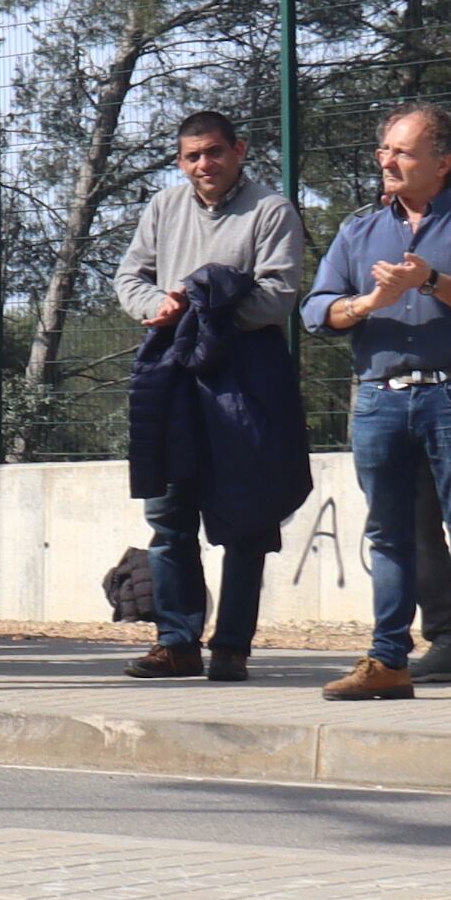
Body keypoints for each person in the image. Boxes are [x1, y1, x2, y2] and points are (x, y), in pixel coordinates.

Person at [306, 103, 451, 707]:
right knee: (388, 534)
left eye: (403, 151)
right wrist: (370, 302)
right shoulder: (358, 228)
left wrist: (431, 281)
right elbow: (316, 309)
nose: (387, 161)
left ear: (444, 163)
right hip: (380, 397)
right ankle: (387, 660)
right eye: (384, 150)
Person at [112, 108, 315, 680]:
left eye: (214, 152)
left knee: (246, 517)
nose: (204, 164)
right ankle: (176, 641)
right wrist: (161, 308)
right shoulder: (163, 207)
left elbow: (277, 295)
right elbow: (130, 277)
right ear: (181, 162)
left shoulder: (271, 210)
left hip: (246, 375)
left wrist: (203, 308)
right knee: (170, 513)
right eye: (192, 156)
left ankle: (232, 646)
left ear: (239, 151)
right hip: (174, 370)